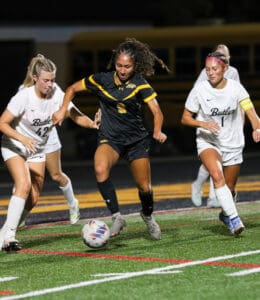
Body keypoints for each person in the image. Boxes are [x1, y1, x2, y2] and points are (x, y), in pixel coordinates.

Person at [53, 37, 169, 240]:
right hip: (110, 138)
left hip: (136, 140)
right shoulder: (101, 80)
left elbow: (156, 111)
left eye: (127, 66)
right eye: (119, 65)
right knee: (99, 168)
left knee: (144, 187)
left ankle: (148, 216)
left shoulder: (140, 84)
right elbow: (71, 89)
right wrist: (63, 110)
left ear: (135, 66)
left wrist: (157, 130)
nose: (123, 70)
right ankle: (117, 216)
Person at [0, 54, 99, 252]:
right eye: (46, 80)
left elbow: (74, 115)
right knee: (24, 184)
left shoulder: (56, 93)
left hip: (36, 148)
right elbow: (2, 123)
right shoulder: (23, 96)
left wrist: (93, 124)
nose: (50, 84)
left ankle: (4, 232)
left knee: (34, 198)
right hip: (14, 144)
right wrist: (23, 139)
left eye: (53, 80)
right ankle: (9, 236)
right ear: (35, 78)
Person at [181, 51, 260, 235]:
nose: (210, 72)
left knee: (229, 188)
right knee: (217, 176)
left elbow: (251, 111)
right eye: (207, 69)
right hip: (208, 141)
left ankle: (226, 214)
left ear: (225, 68)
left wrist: (257, 128)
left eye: (214, 68)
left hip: (233, 143)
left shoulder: (236, 88)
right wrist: (203, 123)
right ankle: (235, 220)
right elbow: (185, 118)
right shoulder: (200, 89)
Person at [191, 44, 241, 208]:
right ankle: (200, 186)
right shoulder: (207, 72)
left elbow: (239, 98)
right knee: (214, 163)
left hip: (226, 123)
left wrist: (241, 122)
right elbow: (196, 93)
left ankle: (213, 195)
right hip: (210, 121)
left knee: (219, 163)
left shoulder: (233, 72)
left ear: (228, 60)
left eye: (224, 56)